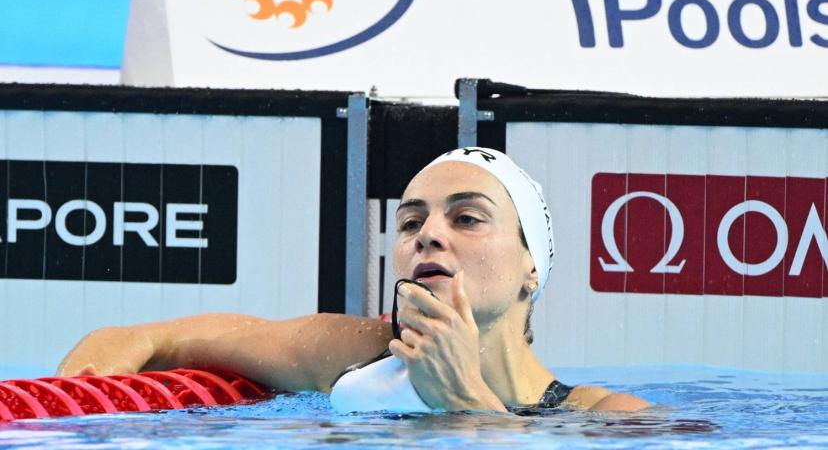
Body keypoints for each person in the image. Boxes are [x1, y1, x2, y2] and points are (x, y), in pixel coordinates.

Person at [58, 147, 648, 412]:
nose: (428, 235)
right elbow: (149, 338)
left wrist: (466, 402)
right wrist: (74, 401)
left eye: (466, 218)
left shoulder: (603, 417)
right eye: (411, 220)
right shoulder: (357, 354)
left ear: (532, 268)